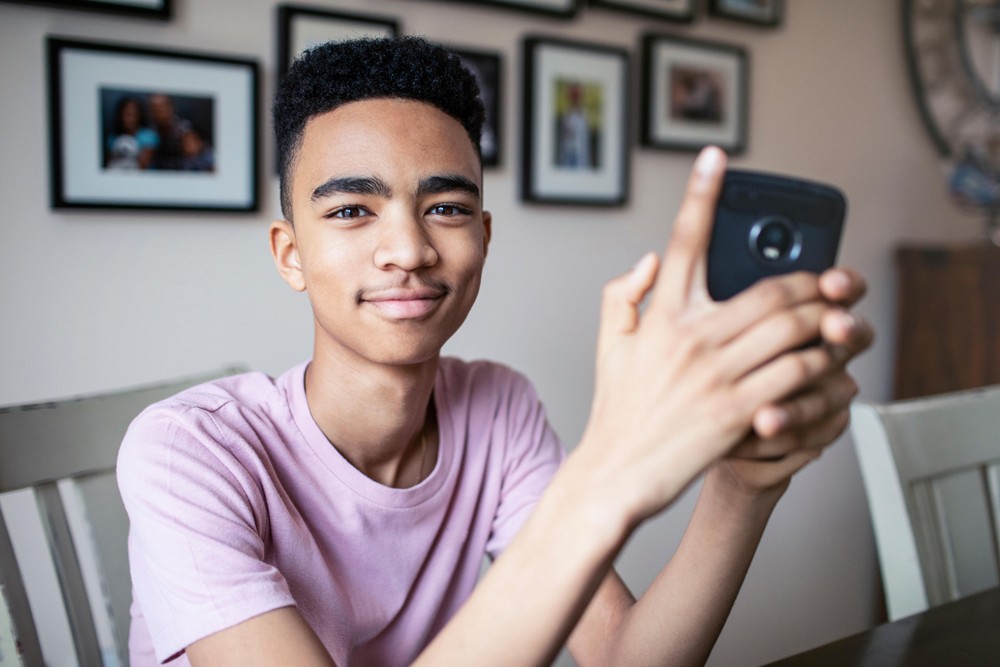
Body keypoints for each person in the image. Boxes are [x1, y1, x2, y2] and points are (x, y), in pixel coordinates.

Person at [117, 36, 872, 667]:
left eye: (445, 208)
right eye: (352, 210)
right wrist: (613, 468)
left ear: (483, 235)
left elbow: (621, 656)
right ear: (290, 254)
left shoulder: (497, 406)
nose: (409, 249)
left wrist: (742, 487)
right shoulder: (186, 451)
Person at [105, 96, 158, 170]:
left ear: (139, 116)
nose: (129, 119)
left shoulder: (148, 136)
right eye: (126, 114)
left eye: (133, 115)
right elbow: (109, 165)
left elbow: (142, 166)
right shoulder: (113, 137)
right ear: (120, 115)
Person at [147, 93, 192, 170]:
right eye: (153, 109)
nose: (157, 113)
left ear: (170, 108)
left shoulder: (184, 129)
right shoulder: (149, 131)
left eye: (160, 109)